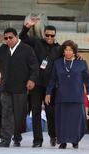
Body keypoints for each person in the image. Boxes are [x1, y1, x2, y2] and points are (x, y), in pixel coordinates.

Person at [0, 27, 39, 147]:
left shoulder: (26, 49)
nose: (8, 40)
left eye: (10, 37)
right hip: (5, 88)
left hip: (20, 88)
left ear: (16, 37)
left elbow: (34, 66)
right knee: (6, 114)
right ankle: (5, 139)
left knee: (19, 115)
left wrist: (32, 79)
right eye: (6, 38)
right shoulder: (3, 49)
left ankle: (17, 137)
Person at [19, 18, 62, 147]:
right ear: (44, 34)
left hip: (50, 86)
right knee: (36, 112)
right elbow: (22, 37)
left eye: (52, 35)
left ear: (55, 35)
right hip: (36, 84)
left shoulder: (59, 49)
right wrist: (27, 27)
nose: (49, 37)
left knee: (50, 112)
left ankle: (53, 136)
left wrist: (78, 57)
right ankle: (37, 140)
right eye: (47, 35)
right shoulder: (37, 43)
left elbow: (69, 53)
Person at [45, 40, 89, 149]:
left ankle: (75, 141)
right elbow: (52, 79)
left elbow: (87, 79)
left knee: (76, 121)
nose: (68, 52)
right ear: (63, 51)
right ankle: (63, 141)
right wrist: (48, 93)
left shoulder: (81, 63)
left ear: (74, 51)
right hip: (61, 97)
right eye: (66, 50)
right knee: (62, 121)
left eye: (70, 50)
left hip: (77, 97)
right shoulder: (57, 63)